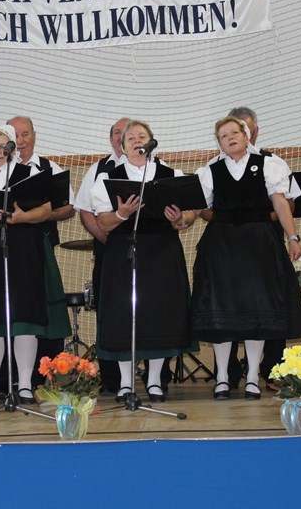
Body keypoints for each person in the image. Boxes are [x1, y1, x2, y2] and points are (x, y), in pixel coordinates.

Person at [191, 116, 301, 401]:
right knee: (222, 313)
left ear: (246, 136)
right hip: (221, 249)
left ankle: (253, 377)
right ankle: (222, 378)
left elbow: (281, 203)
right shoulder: (209, 171)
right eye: (223, 135)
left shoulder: (268, 164)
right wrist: (179, 219)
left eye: (235, 132)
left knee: (258, 312)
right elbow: (194, 208)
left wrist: (293, 237)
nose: (230, 138)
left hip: (259, 246)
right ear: (219, 143)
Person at [0, 125, 70, 405]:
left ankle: (26, 384)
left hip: (25, 248)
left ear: (13, 150)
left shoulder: (29, 174)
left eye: (3, 146)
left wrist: (22, 218)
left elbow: (47, 209)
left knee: (25, 317)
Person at [90, 119, 197, 403]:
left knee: (159, 315)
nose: (137, 141)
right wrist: (122, 214)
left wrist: (179, 219)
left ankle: (154, 381)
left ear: (151, 142)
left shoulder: (171, 174)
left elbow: (189, 215)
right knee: (123, 316)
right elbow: (102, 222)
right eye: (131, 138)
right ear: (123, 147)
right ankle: (126, 383)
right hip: (124, 253)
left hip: (162, 252)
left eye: (142, 136)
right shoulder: (108, 178)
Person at [6, 115, 74, 383]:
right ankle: (8, 376)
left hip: (40, 249)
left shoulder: (50, 168)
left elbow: (68, 208)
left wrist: (41, 215)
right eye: (14, 136)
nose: (20, 141)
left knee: (41, 309)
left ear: (34, 136)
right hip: (4, 254)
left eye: (25, 134)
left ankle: (41, 373)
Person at [73, 117, 129, 394]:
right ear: (111, 139)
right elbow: (84, 209)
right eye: (117, 133)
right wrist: (104, 236)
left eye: (127, 132)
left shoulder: (155, 166)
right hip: (108, 251)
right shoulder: (98, 169)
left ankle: (158, 375)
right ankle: (111, 377)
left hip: (147, 253)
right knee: (108, 312)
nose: (122, 137)